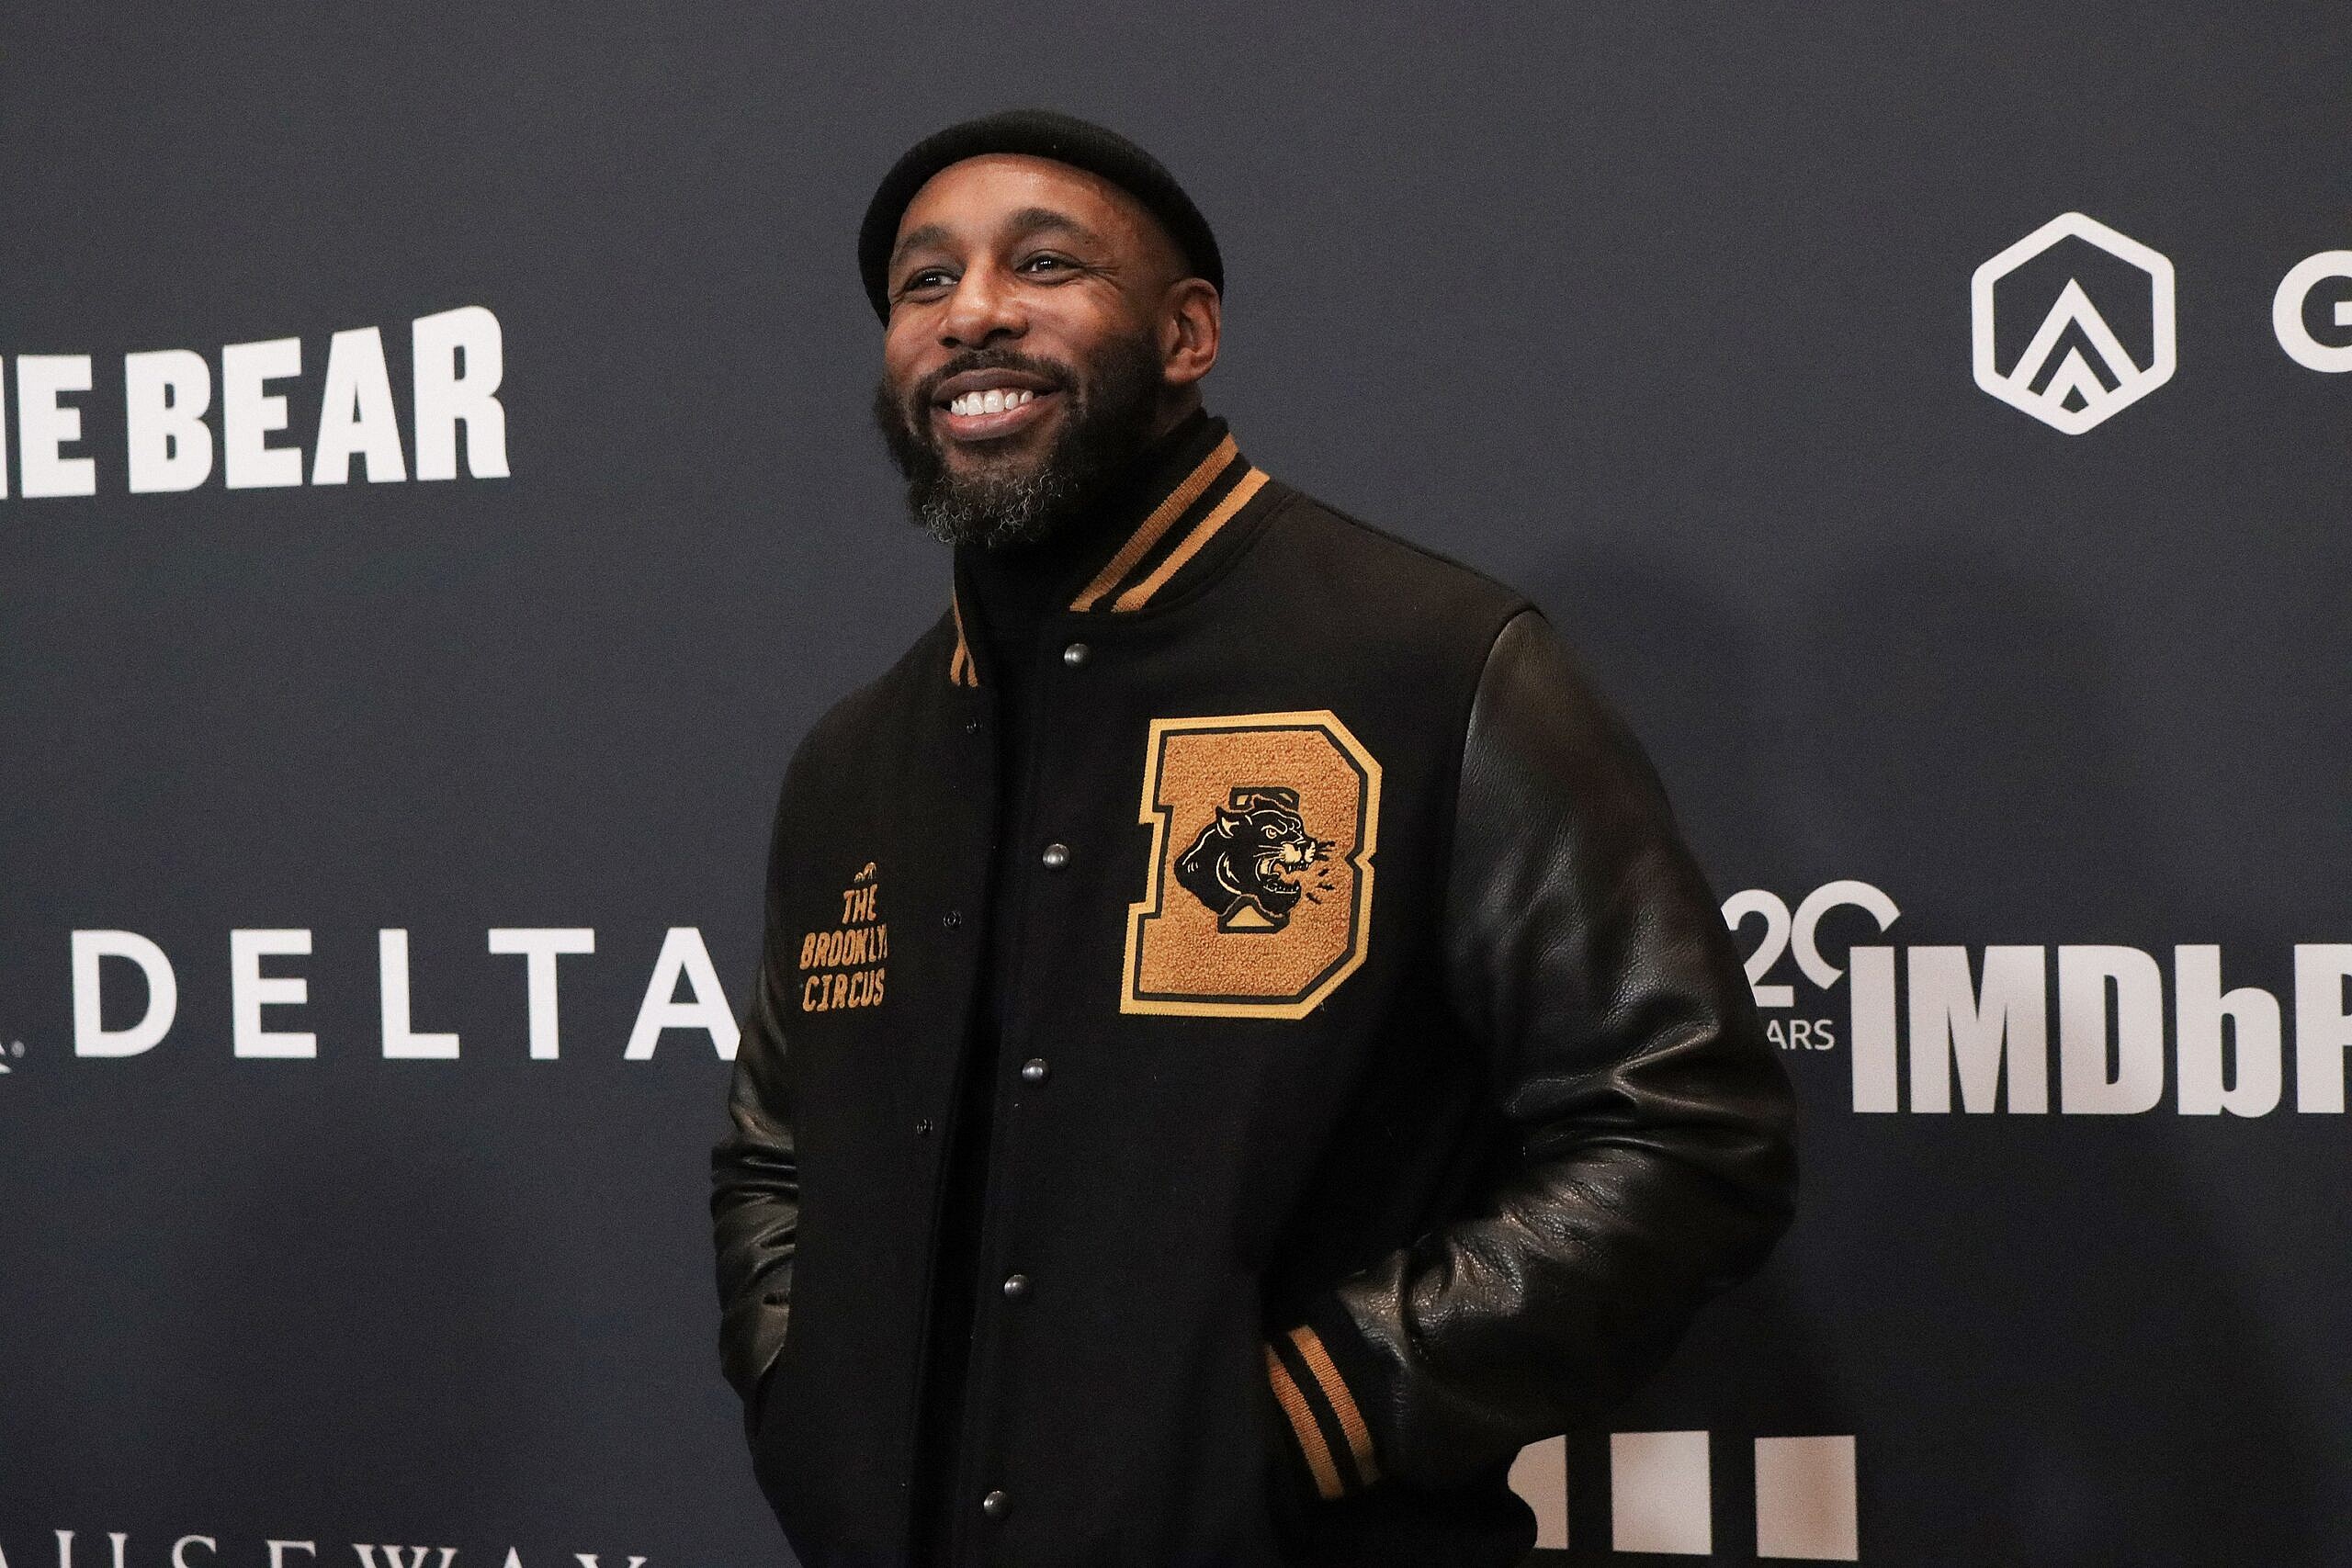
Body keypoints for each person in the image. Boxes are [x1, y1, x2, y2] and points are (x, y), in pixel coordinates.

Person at [711, 107, 1796, 1568]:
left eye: (1043, 264)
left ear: (1186, 333)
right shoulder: (854, 759)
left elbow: (1683, 1128)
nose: (972, 312)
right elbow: (777, 1157)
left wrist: (1314, 1411)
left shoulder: (1433, 664)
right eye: (924, 283)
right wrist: (816, 1406)